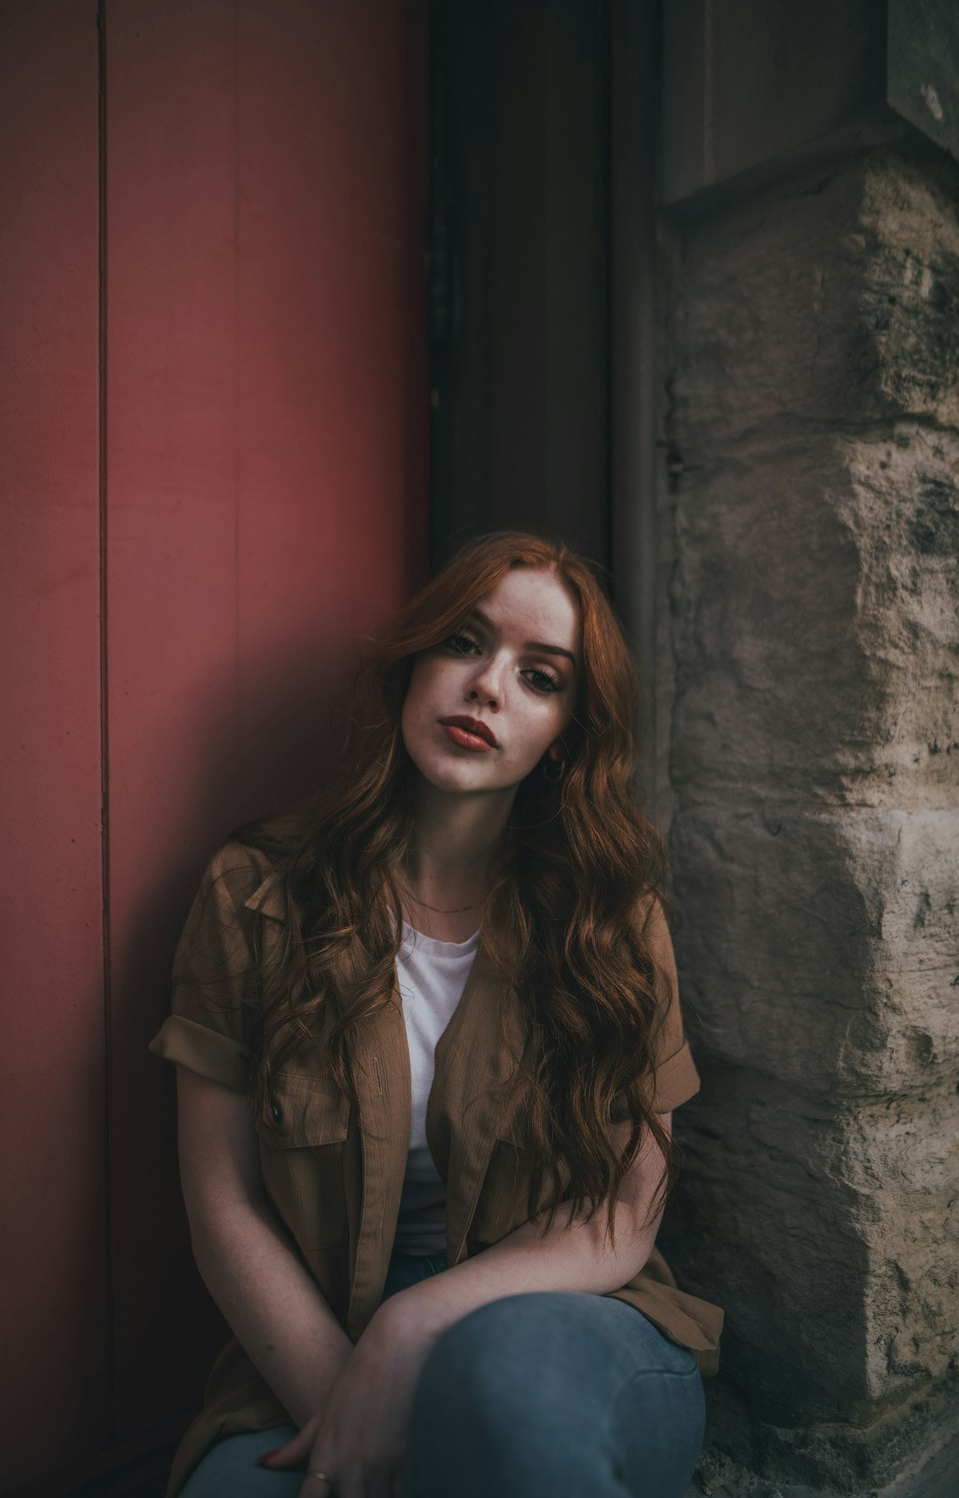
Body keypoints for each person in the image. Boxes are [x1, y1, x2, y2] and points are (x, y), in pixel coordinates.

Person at [150, 529, 723, 1498]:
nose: (488, 685)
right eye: (464, 641)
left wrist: (417, 1321)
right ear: (414, 662)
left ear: (565, 735)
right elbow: (224, 1202)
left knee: (503, 1401)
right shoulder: (254, 893)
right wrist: (350, 1389)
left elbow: (628, 1210)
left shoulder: (612, 919)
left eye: (539, 676)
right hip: (314, 1338)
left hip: (564, 1326)